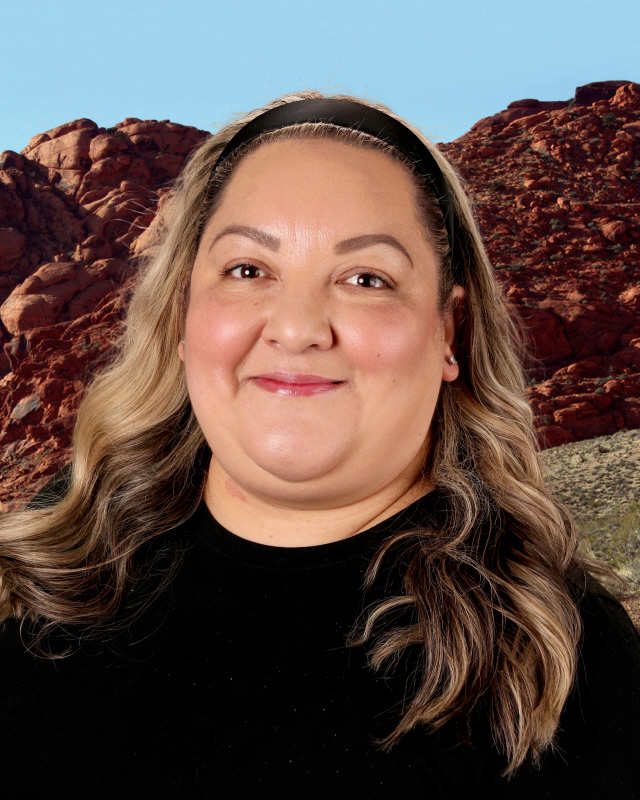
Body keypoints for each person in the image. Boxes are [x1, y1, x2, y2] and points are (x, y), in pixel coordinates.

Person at [0, 92, 639, 800]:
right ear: (183, 313)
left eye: (366, 279)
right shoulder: (44, 566)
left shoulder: (555, 660)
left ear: (448, 332)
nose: (299, 328)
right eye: (248, 270)